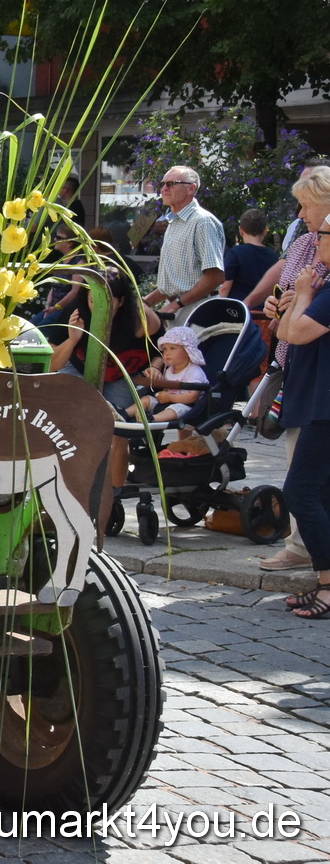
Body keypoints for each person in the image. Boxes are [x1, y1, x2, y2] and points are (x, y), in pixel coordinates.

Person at [255, 167, 330, 571]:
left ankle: (312, 555)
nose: (301, 213)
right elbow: (287, 293)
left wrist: (299, 302)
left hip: (320, 368)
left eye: (307, 205)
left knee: (305, 478)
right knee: (297, 459)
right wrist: (275, 304)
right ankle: (303, 547)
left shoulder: (326, 246)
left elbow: (309, 306)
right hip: (296, 363)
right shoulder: (304, 243)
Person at [268, 227, 330, 619]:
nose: (315, 239)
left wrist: (303, 295)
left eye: (323, 234)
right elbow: (283, 329)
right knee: (319, 495)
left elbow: (296, 333)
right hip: (315, 401)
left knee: (301, 492)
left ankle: (327, 584)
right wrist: (292, 302)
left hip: (324, 406)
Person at [51, 269, 161, 410]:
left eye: (107, 303)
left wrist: (155, 366)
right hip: (79, 369)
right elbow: (52, 364)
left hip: (123, 377)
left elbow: (161, 350)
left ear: (121, 301)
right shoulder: (75, 312)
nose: (98, 309)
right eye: (92, 301)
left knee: (112, 416)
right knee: (67, 408)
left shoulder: (142, 319)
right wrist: (72, 340)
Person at [143, 166, 224, 320]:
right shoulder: (174, 222)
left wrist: (175, 305)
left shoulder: (203, 221)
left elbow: (215, 276)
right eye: (163, 184)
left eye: (171, 183)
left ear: (191, 189)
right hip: (179, 310)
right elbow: (175, 284)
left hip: (199, 311)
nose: (164, 189)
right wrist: (144, 303)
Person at [128, 326, 210, 423]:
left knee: (174, 409)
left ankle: (152, 419)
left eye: (172, 348)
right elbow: (167, 388)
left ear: (188, 351)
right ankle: (124, 414)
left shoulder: (194, 371)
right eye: (165, 349)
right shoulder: (169, 369)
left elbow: (193, 396)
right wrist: (163, 394)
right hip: (168, 402)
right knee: (147, 399)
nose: (167, 353)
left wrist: (170, 397)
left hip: (188, 406)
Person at [219, 208, 278, 305]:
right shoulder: (275, 257)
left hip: (238, 311)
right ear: (265, 231)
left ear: (241, 230)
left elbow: (225, 287)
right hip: (265, 312)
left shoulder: (235, 253)